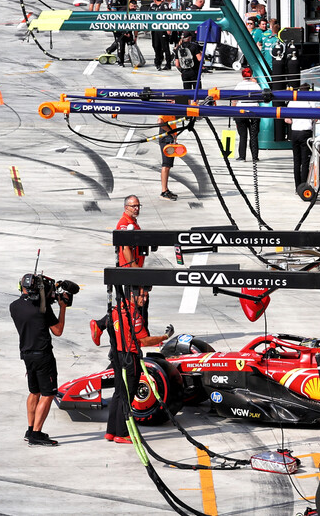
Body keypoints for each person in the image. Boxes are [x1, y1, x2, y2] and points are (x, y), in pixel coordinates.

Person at [106, 287, 172, 443]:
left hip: (117, 357)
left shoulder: (116, 310)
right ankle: (122, 434)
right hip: (130, 358)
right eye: (142, 296)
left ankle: (111, 431)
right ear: (132, 295)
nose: (145, 299)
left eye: (146, 296)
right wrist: (164, 336)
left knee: (118, 393)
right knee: (127, 396)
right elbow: (144, 340)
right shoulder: (134, 315)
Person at [9, 273, 67, 446]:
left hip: (27, 355)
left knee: (34, 392)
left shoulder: (14, 307)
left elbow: (32, 307)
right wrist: (62, 307)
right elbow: (58, 331)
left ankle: (30, 428)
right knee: (48, 394)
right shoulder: (42, 309)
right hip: (43, 355)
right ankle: (36, 434)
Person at [91, 195, 149, 346]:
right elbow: (125, 249)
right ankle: (141, 335)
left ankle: (100, 325)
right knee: (136, 302)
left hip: (132, 271)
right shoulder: (124, 224)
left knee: (129, 304)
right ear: (126, 207)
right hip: (129, 272)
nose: (136, 209)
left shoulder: (132, 222)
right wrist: (135, 269)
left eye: (138, 206)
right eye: (133, 206)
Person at [285, 84, 317, 191]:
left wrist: (295, 121)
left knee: (296, 161)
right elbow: (315, 118)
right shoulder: (310, 102)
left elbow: (287, 120)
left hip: (295, 132)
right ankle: (303, 186)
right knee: (305, 161)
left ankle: (297, 186)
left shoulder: (292, 102)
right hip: (306, 133)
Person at [232, 69, 261, 161]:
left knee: (242, 135)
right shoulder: (256, 86)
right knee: (254, 135)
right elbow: (260, 98)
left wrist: (233, 112)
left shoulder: (239, 85)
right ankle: (255, 156)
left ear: (242, 75)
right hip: (254, 111)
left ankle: (242, 156)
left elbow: (234, 100)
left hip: (241, 111)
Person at [149, 0, 174, 70]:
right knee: (156, 46)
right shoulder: (152, 6)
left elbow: (168, 17)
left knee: (165, 46)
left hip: (163, 29)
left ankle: (168, 63)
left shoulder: (165, 6)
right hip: (155, 29)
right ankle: (158, 61)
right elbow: (148, 16)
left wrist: (168, 28)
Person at [158, 113, 180, 201]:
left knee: (168, 165)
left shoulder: (172, 110)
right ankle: (164, 191)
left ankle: (165, 190)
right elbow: (160, 122)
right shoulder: (166, 110)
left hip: (169, 139)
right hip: (166, 139)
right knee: (166, 165)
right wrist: (170, 132)